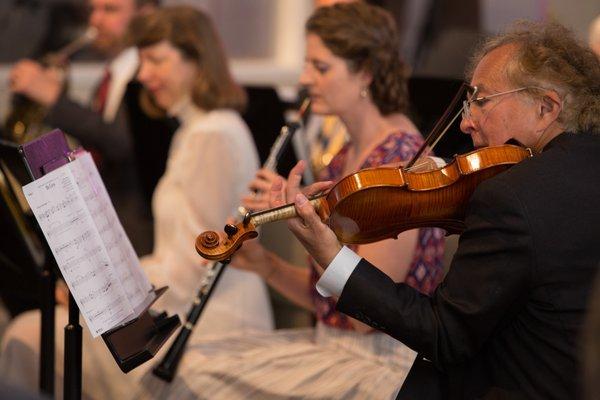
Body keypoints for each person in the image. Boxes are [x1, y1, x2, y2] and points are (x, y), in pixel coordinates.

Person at [133, 3, 444, 399]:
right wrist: (266, 265)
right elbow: (328, 304)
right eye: (306, 65)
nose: (303, 78)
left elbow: (370, 315)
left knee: (189, 377)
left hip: (381, 366)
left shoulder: (401, 160)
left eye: (321, 67)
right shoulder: (346, 155)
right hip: (333, 346)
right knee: (173, 367)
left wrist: (308, 231)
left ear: (365, 71)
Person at [280, 20, 600, 399]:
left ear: (546, 107)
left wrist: (331, 256)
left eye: (481, 101)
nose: (465, 122)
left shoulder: (511, 197)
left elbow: (444, 334)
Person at [0, 6, 274, 399]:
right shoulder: (194, 130)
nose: (144, 75)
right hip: (180, 311)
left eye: (157, 60)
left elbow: (194, 267)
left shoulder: (214, 134)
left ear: (197, 61)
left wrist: (100, 286)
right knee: (35, 331)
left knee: (29, 336)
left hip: (212, 329)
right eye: (142, 61)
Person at [8, 0, 174, 256]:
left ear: (146, 14)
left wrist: (54, 99)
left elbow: (124, 144)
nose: (95, 20)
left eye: (110, 10)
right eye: (93, 10)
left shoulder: (152, 78)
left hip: (142, 234)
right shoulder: (111, 76)